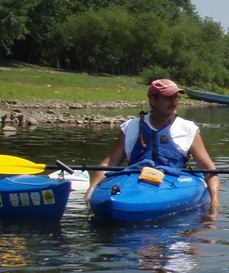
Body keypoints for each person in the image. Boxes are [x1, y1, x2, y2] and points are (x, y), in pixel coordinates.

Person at [83, 79, 220, 213]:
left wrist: (214, 205)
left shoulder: (188, 129)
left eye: (176, 97)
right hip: (133, 179)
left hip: (172, 180)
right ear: (153, 101)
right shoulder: (131, 127)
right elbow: (111, 162)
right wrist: (91, 190)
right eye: (168, 98)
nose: (174, 102)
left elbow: (209, 169)